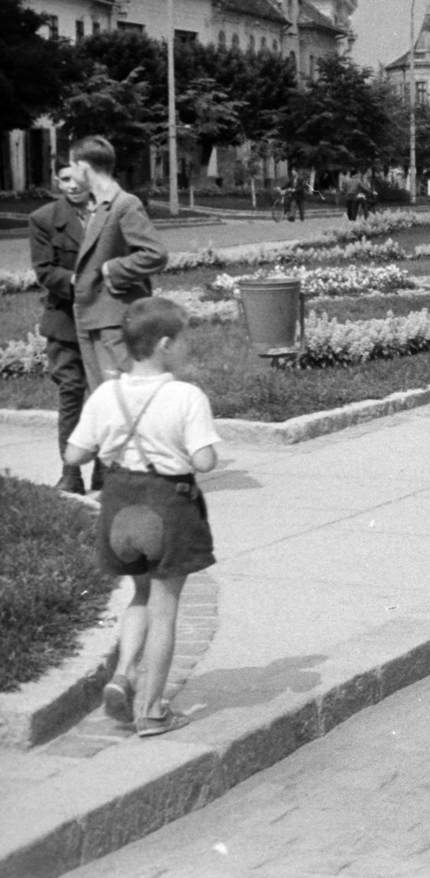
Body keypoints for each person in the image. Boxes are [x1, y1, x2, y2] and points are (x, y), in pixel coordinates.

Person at [64, 297, 221, 737]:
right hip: (166, 507)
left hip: (118, 509)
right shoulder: (185, 395)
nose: (187, 348)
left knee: (139, 596)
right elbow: (205, 461)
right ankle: (152, 711)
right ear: (165, 344)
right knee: (165, 608)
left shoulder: (105, 393)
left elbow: (74, 453)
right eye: (184, 340)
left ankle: (123, 676)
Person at [70, 136, 169, 400]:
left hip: (114, 319)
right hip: (92, 316)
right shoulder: (97, 206)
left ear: (82, 167)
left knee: (122, 400)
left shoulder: (124, 203)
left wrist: (111, 270)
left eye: (72, 166)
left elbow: (155, 254)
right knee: (102, 401)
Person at [29, 164, 93, 493]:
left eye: (78, 178)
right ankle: (71, 473)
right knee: (71, 393)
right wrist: (81, 282)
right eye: (64, 179)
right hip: (65, 322)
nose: (72, 185)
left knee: (105, 394)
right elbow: (45, 271)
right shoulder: (44, 218)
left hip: (103, 319)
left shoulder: (108, 212)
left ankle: (108, 470)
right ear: (57, 181)